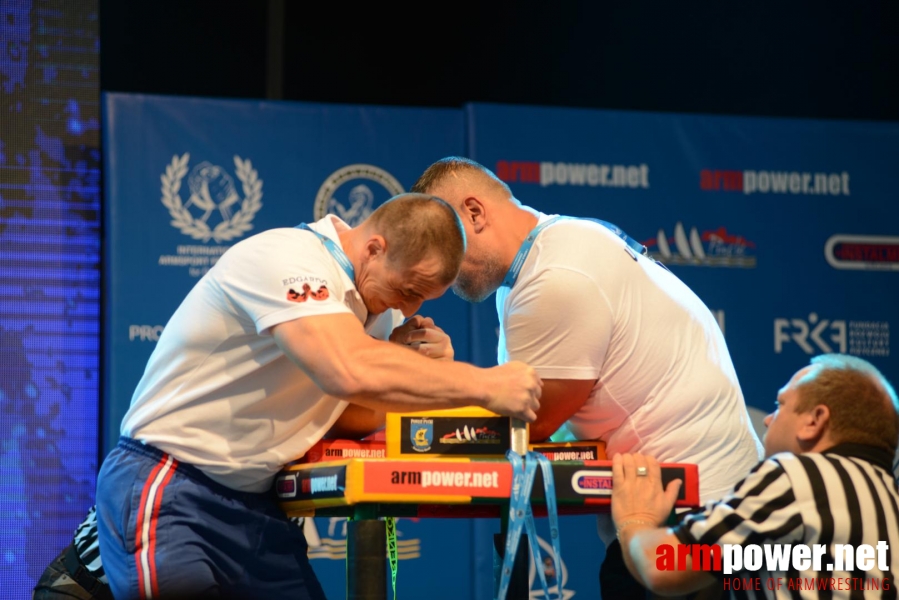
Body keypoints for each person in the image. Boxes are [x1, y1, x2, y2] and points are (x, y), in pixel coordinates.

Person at [95, 193, 543, 600]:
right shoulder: (288, 258)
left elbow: (354, 414)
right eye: (409, 291)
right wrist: (485, 385)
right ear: (374, 248)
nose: (408, 310)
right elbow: (345, 369)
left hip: (257, 506)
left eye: (423, 300)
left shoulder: (376, 309)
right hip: (174, 486)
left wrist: (427, 370)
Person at [410, 157, 764, 598]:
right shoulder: (549, 255)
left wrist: (427, 380)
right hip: (695, 512)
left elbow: (526, 427)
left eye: (441, 244)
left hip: (690, 525)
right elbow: (521, 406)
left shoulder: (556, 277)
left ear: (475, 213)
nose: (438, 269)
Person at [611, 353, 899, 599]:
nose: (768, 419)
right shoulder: (889, 499)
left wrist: (636, 518)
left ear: (814, 421)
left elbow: (663, 566)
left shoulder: (797, 477)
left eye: (780, 405)